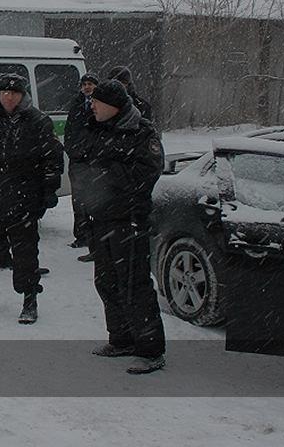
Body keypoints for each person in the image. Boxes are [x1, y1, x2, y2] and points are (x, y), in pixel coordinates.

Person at [76, 78, 167, 374]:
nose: (92, 105)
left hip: (129, 221)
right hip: (100, 219)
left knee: (134, 285)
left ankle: (151, 350)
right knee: (106, 281)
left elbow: (146, 174)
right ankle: (121, 338)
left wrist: (105, 172)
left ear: (113, 105)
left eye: (97, 101)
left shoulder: (141, 132)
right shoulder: (95, 128)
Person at [0, 73, 64, 324]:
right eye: (5, 92)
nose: (9, 97)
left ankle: (30, 300)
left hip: (24, 199)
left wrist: (48, 191)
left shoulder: (38, 121)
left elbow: (52, 159)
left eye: (14, 93)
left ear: (22, 95)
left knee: (25, 254)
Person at [64, 73, 99, 253]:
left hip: (94, 161)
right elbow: (69, 130)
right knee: (78, 200)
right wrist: (72, 150)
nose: (87, 87)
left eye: (90, 84)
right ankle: (81, 235)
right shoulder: (76, 104)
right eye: (84, 84)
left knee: (95, 199)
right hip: (77, 161)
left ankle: (95, 238)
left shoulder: (100, 104)